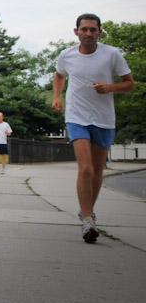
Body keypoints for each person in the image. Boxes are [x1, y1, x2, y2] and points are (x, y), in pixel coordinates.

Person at [53, 13, 136, 243]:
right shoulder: (67, 55)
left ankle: (87, 211)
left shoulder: (112, 54)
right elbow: (59, 76)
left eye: (92, 29)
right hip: (77, 117)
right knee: (86, 168)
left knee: (98, 171)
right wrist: (57, 97)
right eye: (84, 29)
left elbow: (130, 85)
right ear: (76, 32)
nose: (88, 33)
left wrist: (110, 88)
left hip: (104, 119)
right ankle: (88, 220)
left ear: (99, 32)